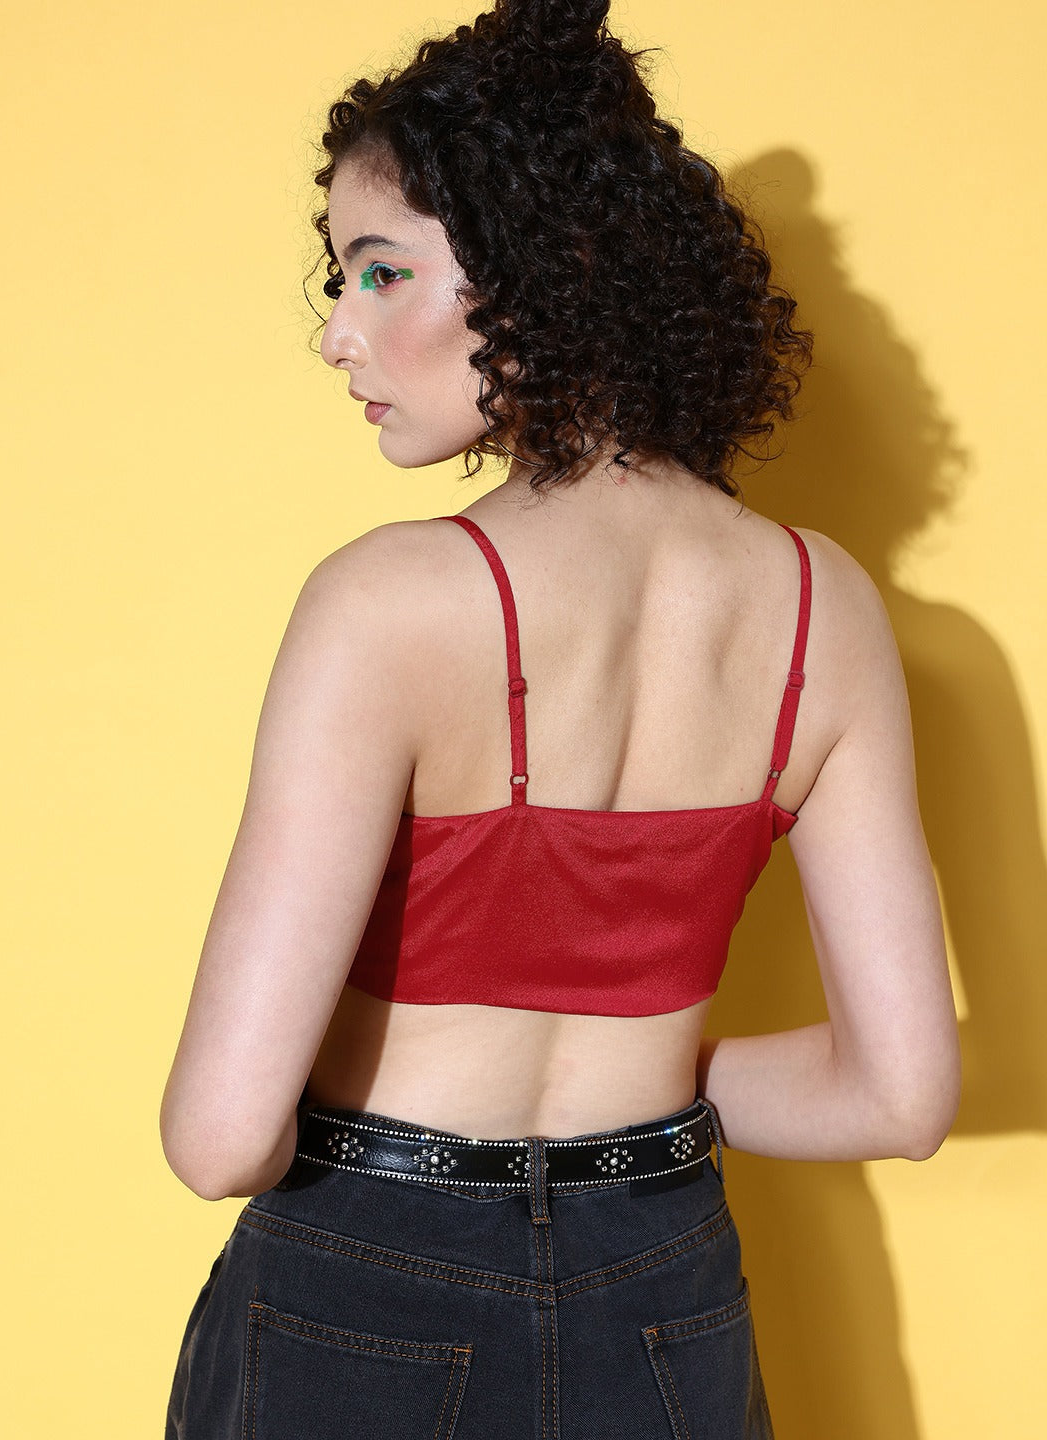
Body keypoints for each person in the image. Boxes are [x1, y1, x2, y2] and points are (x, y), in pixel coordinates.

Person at [160, 1, 961, 1435]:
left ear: (547, 267)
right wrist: (638, 1088)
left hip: (366, 1282)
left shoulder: (386, 603)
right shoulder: (823, 610)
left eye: (383, 272)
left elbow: (220, 1140)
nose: (339, 334)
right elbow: (897, 1099)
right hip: (665, 1286)